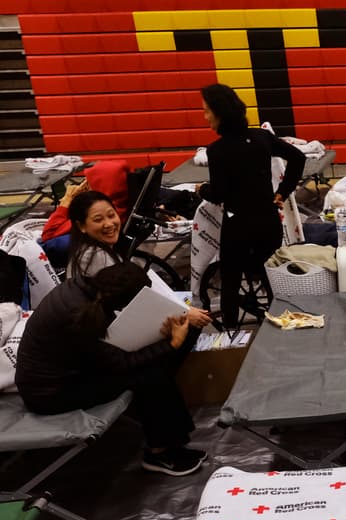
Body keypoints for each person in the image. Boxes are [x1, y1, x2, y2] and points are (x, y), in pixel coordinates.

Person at [16, 262, 213, 476]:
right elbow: (121, 363)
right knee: (149, 375)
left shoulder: (85, 289)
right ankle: (159, 453)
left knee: (156, 364)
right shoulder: (79, 315)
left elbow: (107, 352)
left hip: (70, 371)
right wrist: (170, 344)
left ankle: (174, 443)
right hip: (50, 393)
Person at [196, 83, 305, 328]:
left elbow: (219, 193)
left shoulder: (217, 151)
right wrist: (283, 192)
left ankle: (232, 336)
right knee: (271, 278)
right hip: (268, 221)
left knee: (231, 283)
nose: (205, 118)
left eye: (206, 111)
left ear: (219, 113)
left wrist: (201, 189)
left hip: (238, 227)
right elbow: (298, 158)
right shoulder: (261, 137)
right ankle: (284, 325)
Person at [61, 189, 126, 287]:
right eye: (98, 219)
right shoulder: (95, 256)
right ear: (81, 226)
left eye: (111, 215)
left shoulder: (86, 249)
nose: (109, 224)